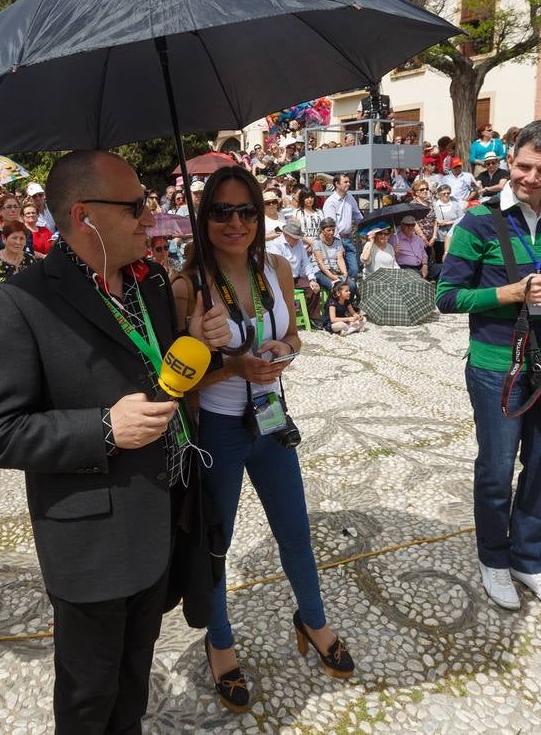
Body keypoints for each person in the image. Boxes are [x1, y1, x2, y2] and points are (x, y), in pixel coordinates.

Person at [0, 150, 228, 733]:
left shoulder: (152, 282)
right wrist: (103, 428)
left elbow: (160, 378)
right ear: (84, 215)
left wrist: (197, 340)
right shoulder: (19, 301)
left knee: (134, 679)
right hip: (90, 542)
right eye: (135, 205)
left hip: (161, 516)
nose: (149, 217)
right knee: (88, 695)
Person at [170, 165, 354, 713]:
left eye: (246, 211)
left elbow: (293, 334)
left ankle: (313, 619)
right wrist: (225, 365)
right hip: (219, 432)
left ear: (259, 215)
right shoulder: (188, 287)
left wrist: (283, 354)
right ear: (205, 220)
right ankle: (220, 642)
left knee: (295, 530)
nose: (236, 222)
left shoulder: (275, 265)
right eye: (222, 212)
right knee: (216, 544)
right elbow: (178, 379)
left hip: (271, 419)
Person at [435, 120, 541, 614]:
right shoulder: (477, 221)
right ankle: (493, 559)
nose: (530, 177)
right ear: (509, 160)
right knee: (497, 470)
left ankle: (528, 558)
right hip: (495, 363)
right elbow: (447, 297)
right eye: (522, 165)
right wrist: (510, 293)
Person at [267, 220, 322, 324]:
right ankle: (284, 320)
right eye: (295, 237)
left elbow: (306, 263)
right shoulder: (276, 245)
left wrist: (312, 279)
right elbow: (277, 268)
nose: (297, 240)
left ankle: (313, 318)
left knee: (314, 288)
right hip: (280, 279)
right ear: (286, 235)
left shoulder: (299, 243)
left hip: (296, 278)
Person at [0, 220, 39, 294]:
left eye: (22, 238)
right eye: (14, 238)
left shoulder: (30, 260)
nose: (18, 242)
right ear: (4, 238)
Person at [322, 174, 363, 279]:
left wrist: (367, 227)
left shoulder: (350, 198)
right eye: (345, 182)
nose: (348, 184)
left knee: (354, 269)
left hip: (348, 238)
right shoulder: (330, 202)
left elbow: (358, 216)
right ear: (336, 184)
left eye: (349, 182)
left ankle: (348, 290)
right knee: (338, 270)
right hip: (335, 240)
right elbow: (330, 226)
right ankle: (342, 291)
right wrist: (338, 243)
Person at [311, 218, 349, 292]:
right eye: (328, 230)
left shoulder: (338, 241)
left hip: (335, 270)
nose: (331, 232)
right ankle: (332, 304)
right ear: (322, 230)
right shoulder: (317, 242)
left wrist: (345, 273)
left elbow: (340, 259)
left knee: (352, 286)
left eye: (333, 230)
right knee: (336, 287)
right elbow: (320, 263)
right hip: (320, 271)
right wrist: (332, 276)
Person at [432, 183, 466, 264]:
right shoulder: (434, 205)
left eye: (448, 193)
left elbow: (461, 218)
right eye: (444, 193)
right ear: (439, 194)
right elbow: (431, 218)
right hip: (439, 236)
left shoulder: (455, 204)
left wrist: (449, 223)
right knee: (439, 258)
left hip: (453, 236)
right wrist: (437, 221)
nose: (446, 195)